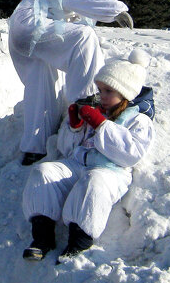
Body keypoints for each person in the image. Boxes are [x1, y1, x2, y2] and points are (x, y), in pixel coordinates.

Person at [21, 57, 155, 263]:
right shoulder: (96, 109)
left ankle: (79, 242)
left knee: (94, 181)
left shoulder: (138, 120)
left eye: (108, 91)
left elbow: (131, 154)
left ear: (124, 93)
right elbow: (66, 149)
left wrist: (102, 126)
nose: (102, 96)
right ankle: (42, 237)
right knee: (44, 172)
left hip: (110, 171)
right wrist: (74, 127)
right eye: (100, 90)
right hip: (78, 164)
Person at [8, 0, 133, 165]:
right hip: (34, 30)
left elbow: (69, 20)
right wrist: (116, 11)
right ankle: (87, 101)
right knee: (83, 38)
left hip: (19, 35)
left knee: (39, 89)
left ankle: (34, 147)